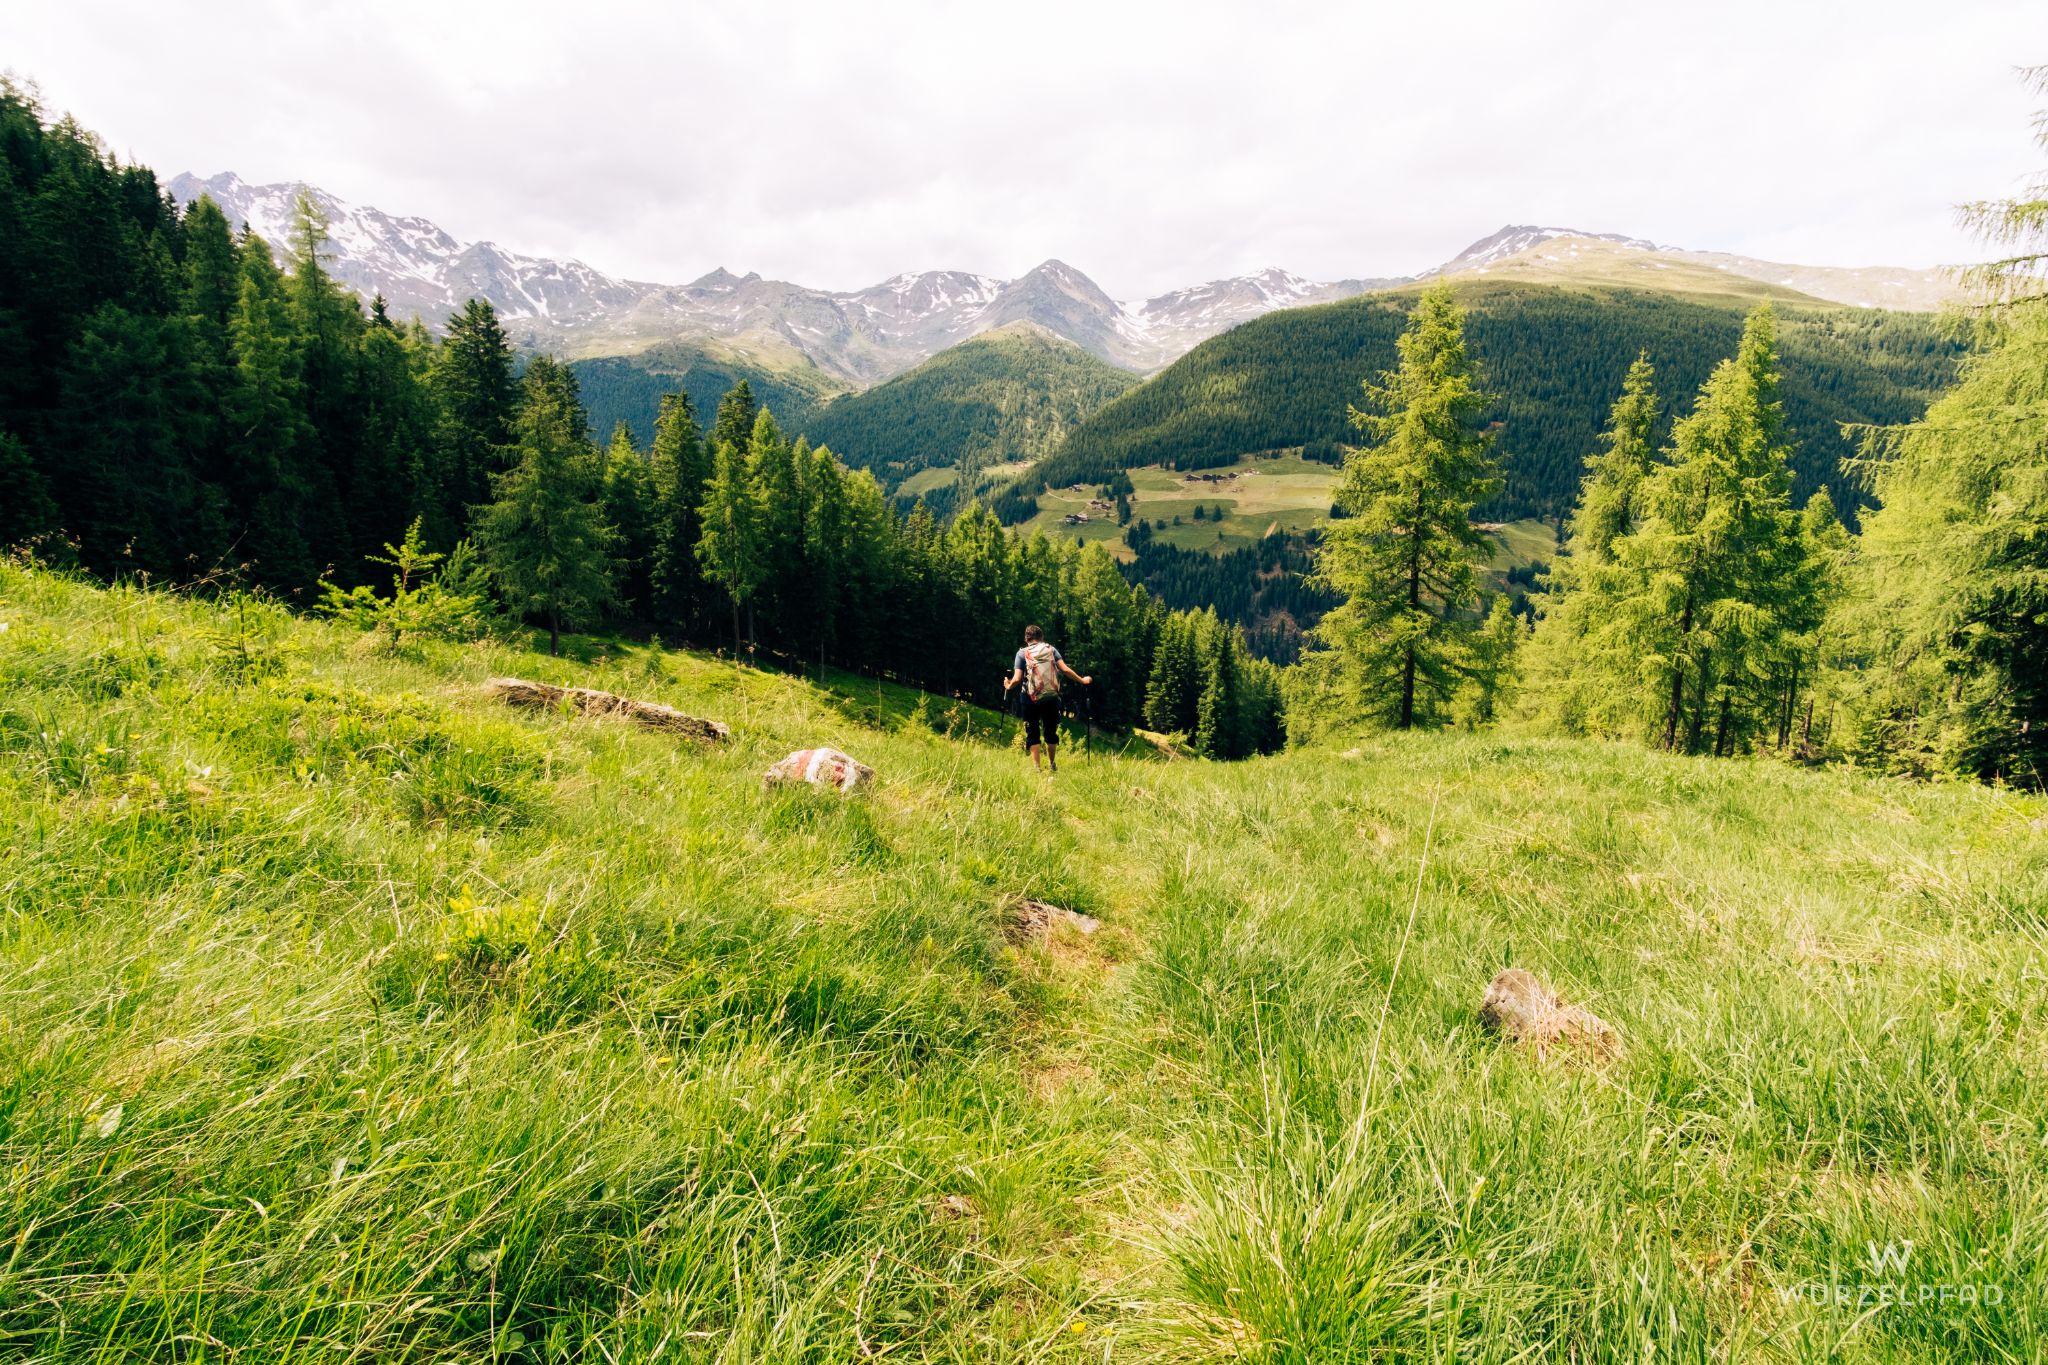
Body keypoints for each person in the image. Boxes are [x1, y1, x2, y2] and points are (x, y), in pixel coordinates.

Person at [1003, 624, 1091, 777]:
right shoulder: (1051, 650)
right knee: (1050, 731)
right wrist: (1082, 680)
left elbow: (1017, 678)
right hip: (1051, 697)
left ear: (1026, 638)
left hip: (1029, 699)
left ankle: (1037, 768)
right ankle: (1051, 764)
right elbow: (1065, 669)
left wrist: (1008, 685)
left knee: (1033, 732)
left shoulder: (1022, 653)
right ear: (1041, 637)